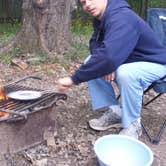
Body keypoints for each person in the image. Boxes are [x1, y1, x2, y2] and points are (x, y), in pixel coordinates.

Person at [57, 0, 166, 139]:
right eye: (83, 3)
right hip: (130, 60)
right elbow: (95, 43)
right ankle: (116, 112)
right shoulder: (102, 18)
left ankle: (133, 125)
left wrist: (73, 79)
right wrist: (109, 64)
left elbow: (109, 56)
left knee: (125, 73)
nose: (87, 5)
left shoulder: (122, 17)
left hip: (157, 63)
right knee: (92, 62)